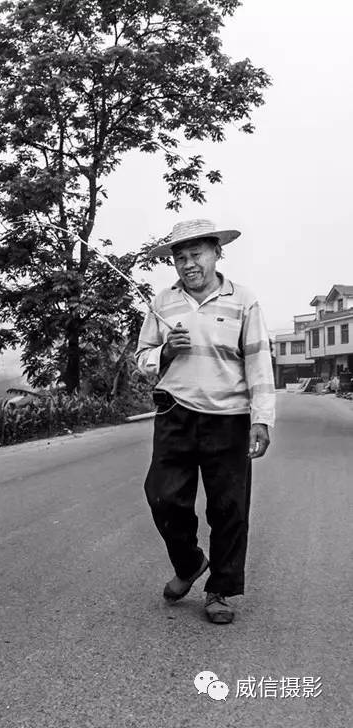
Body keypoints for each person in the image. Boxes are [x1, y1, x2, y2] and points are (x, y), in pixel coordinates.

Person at [136, 218, 275, 624]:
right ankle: (189, 563)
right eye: (179, 257)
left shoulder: (243, 301)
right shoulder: (163, 303)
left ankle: (220, 591)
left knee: (229, 507)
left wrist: (261, 419)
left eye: (196, 254)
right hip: (174, 413)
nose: (187, 264)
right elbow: (141, 358)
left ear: (217, 253)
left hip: (228, 418)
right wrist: (164, 353)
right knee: (162, 496)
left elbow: (259, 363)